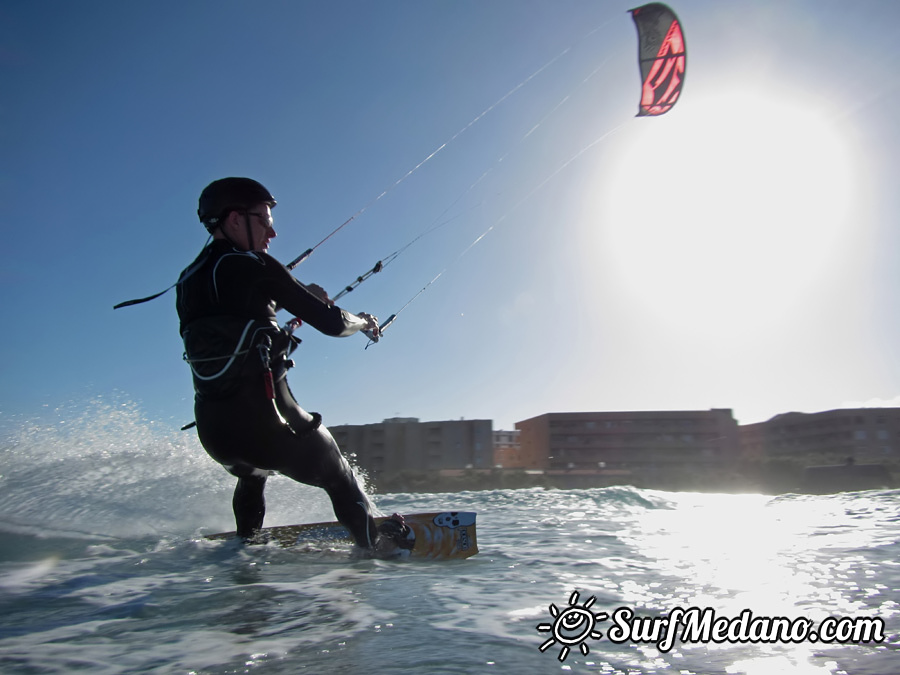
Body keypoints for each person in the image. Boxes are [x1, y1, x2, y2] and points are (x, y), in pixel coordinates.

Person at [176, 177, 407, 557]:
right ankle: (375, 550)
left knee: (252, 474)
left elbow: (234, 318)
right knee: (339, 476)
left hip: (216, 434)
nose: (272, 232)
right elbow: (333, 323)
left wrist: (292, 298)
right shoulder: (256, 266)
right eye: (264, 221)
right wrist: (364, 321)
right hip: (272, 428)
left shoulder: (187, 281)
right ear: (235, 219)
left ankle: (243, 554)